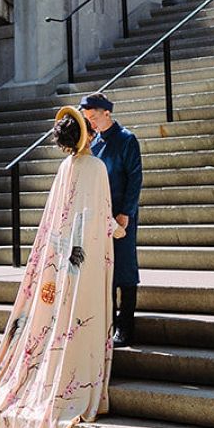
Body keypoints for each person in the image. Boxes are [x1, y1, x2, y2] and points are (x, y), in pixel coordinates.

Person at [0, 106, 115, 428]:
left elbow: (58, 217)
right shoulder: (96, 168)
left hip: (62, 255)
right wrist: (117, 228)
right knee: (80, 315)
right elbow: (99, 215)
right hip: (83, 258)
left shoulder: (65, 168)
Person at [80, 92, 143, 347]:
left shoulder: (127, 139)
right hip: (100, 216)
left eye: (93, 117)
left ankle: (125, 327)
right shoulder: (93, 144)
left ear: (107, 113)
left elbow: (135, 178)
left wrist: (126, 212)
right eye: (87, 119)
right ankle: (108, 324)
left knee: (125, 268)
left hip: (122, 214)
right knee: (104, 270)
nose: (91, 123)